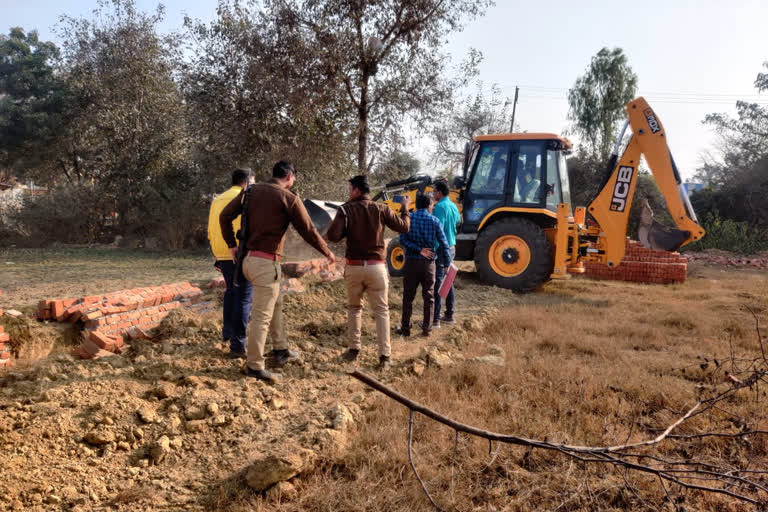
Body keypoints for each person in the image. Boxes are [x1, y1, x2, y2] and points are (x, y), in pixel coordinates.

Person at [219, 160, 335, 382]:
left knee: (276, 303)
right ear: (290, 176)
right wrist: (327, 251)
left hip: (247, 261)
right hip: (266, 265)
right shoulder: (289, 198)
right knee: (262, 317)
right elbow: (308, 229)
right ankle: (254, 365)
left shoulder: (250, 191)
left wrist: (231, 245)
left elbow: (224, 216)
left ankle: (281, 349)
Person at [326, 175, 411, 371]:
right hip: (377, 267)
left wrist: (345, 218)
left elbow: (333, 236)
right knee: (381, 311)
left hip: (354, 267)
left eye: (350, 189)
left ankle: (354, 349)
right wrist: (405, 207)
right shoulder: (381, 208)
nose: (349, 192)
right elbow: (404, 227)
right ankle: (385, 357)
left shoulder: (345, 209)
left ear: (356, 190)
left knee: (355, 308)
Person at [207, 168, 254, 359]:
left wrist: (216, 252)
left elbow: (211, 227)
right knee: (243, 296)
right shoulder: (246, 198)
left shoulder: (218, 199)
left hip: (221, 252)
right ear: (246, 181)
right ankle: (238, 344)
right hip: (238, 251)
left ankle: (227, 333)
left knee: (230, 291)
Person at [396, 194, 450, 338]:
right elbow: (444, 245)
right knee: (429, 296)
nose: (433, 207)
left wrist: (418, 249)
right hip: (428, 265)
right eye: (432, 205)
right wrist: (447, 264)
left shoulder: (409, 219)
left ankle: (405, 329)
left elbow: (402, 240)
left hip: (411, 263)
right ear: (429, 205)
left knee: (408, 297)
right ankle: (427, 329)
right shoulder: (435, 221)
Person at [431, 180, 460, 328]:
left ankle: (435, 319)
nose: (433, 194)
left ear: (439, 193)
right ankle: (449, 314)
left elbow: (438, 229)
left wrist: (434, 249)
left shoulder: (439, 207)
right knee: (449, 280)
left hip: (442, 249)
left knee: (438, 282)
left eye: (434, 191)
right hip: (452, 246)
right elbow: (458, 221)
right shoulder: (453, 206)